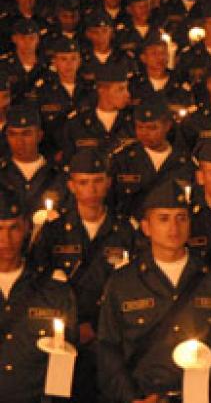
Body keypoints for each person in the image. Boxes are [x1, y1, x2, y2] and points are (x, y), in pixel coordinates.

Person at [96, 180, 211, 402]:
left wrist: (205, 360)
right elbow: (108, 349)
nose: (174, 228)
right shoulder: (123, 282)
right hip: (145, 396)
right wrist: (131, 398)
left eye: (181, 218)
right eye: (163, 219)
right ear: (146, 227)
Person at [31, 148, 137, 402]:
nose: (91, 189)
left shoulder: (124, 229)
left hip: (110, 335)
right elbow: (41, 286)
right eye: (83, 182)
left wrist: (98, 326)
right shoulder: (54, 230)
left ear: (108, 183)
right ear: (71, 186)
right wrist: (73, 326)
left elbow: (133, 285)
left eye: (98, 181)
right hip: (65, 334)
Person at [0, 185, 77, 403]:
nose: (5, 239)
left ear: (26, 228)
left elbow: (62, 370)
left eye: (13, 228)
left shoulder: (53, 289)